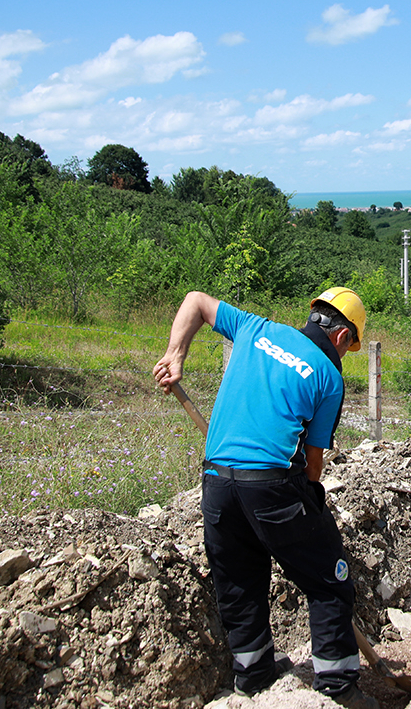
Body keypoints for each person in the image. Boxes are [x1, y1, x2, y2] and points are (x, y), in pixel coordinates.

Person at [153, 286, 378, 709]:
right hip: (272, 487)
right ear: (342, 337)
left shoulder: (255, 328)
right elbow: (313, 465)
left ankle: (253, 675)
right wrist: (307, 506)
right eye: (348, 347)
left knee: (239, 580)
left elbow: (196, 300)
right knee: (329, 580)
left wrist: (175, 355)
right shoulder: (329, 376)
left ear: (313, 316)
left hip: (217, 483)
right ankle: (338, 687)